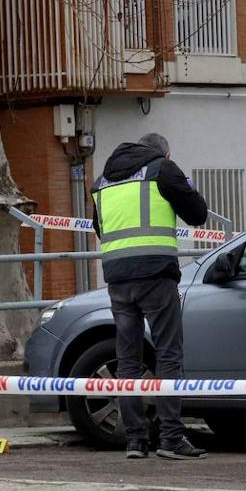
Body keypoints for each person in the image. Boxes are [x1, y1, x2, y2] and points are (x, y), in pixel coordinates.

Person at [92, 132, 209, 460]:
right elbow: (198, 213)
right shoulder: (162, 169)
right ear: (165, 154)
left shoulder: (102, 181)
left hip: (117, 278)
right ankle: (170, 438)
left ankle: (135, 440)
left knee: (128, 358)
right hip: (156, 275)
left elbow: (99, 228)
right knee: (168, 354)